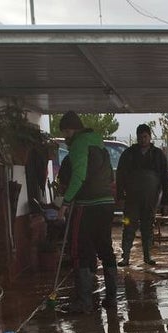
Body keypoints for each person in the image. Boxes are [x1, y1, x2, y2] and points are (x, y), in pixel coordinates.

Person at [57, 110, 117, 314]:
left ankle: (84, 302)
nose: (65, 138)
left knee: (80, 249)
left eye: (65, 132)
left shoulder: (79, 144)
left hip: (87, 204)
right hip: (106, 202)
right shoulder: (99, 143)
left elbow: (79, 175)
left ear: (71, 129)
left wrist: (65, 202)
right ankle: (111, 298)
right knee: (105, 248)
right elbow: (110, 176)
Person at [116, 123, 168, 267]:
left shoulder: (158, 155)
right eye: (140, 137)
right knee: (128, 225)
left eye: (145, 137)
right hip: (131, 201)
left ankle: (148, 256)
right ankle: (125, 256)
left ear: (150, 137)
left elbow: (166, 178)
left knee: (148, 227)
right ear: (137, 137)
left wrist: (165, 201)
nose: (142, 140)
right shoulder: (128, 154)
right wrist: (120, 196)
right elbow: (120, 176)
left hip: (150, 200)